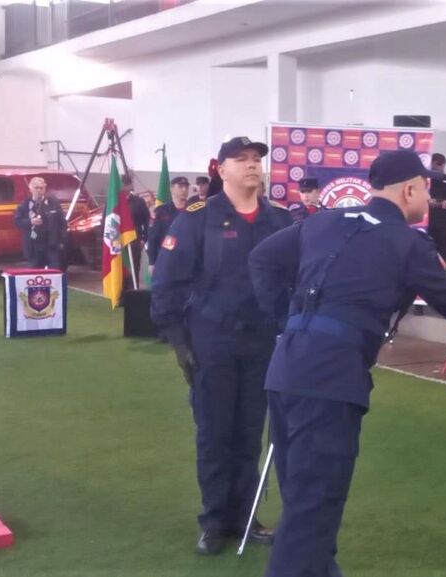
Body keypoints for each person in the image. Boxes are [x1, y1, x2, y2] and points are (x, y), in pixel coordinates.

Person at [248, 149, 446, 577]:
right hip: (330, 381)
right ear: (409, 190)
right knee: (313, 507)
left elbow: (261, 259)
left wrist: (286, 320)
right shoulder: (408, 243)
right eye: (424, 188)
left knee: (304, 500)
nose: (427, 197)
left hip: (286, 369)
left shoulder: (322, 222)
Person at [150, 136, 293, 555]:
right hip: (212, 342)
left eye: (256, 159)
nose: (252, 165)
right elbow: (167, 283)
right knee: (215, 434)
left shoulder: (279, 220)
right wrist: (179, 341)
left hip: (262, 342)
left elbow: (295, 277)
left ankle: (245, 518)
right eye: (241, 159)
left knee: (249, 434)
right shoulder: (197, 219)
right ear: (221, 168)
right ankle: (214, 520)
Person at [14, 176, 66, 269]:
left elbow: (62, 223)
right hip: (33, 246)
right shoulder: (25, 204)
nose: (39, 190)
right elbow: (17, 222)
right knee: (35, 273)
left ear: (45, 189)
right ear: (31, 189)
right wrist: (30, 222)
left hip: (51, 245)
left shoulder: (53, 203)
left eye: (41, 188)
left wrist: (62, 241)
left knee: (54, 271)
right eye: (36, 188)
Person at [147, 176, 191, 275]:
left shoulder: (193, 210)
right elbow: (153, 238)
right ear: (172, 188)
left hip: (189, 260)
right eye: (180, 186)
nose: (184, 189)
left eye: (186, 187)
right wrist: (152, 262)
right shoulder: (161, 211)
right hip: (167, 259)